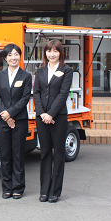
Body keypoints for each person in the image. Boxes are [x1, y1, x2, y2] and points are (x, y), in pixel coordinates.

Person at [33, 40, 73, 203]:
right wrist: (42, 113)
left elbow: (63, 94)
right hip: (42, 118)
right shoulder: (40, 71)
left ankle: (55, 191)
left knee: (58, 153)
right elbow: (36, 93)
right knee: (45, 153)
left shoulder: (67, 70)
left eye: (55, 51)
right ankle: (44, 190)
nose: (52, 54)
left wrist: (51, 114)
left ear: (60, 53)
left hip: (59, 117)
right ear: (45, 53)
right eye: (49, 51)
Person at [0, 44, 32, 200]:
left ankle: (18, 187)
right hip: (2, 121)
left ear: (20, 56)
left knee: (18, 154)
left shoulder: (26, 76)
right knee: (5, 155)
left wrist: (11, 113)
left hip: (20, 120)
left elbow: (25, 98)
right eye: (10, 55)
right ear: (5, 57)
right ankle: (6, 187)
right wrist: (6, 116)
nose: (13, 57)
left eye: (16, 54)